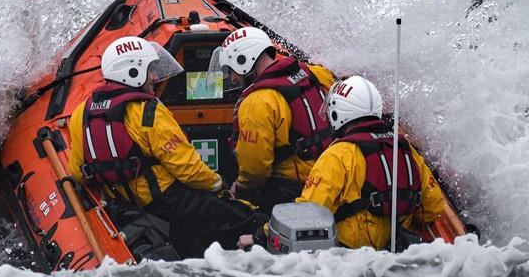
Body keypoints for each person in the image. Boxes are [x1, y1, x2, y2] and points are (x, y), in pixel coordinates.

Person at [68, 36, 266, 259]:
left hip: (128, 204)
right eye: (150, 70)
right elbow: (189, 169)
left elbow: (78, 171)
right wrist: (220, 184)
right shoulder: (148, 112)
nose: (154, 77)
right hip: (171, 201)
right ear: (132, 72)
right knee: (250, 217)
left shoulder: (80, 114)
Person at [238, 76, 446, 250]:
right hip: (393, 251)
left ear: (339, 113)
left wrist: (259, 235)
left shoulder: (339, 155)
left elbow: (306, 214)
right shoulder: (405, 149)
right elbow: (433, 207)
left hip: (347, 258)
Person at [208, 27, 335, 214]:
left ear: (243, 60)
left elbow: (255, 169)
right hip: (331, 179)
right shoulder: (316, 74)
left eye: (231, 70)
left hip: (291, 191)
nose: (232, 78)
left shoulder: (257, 102)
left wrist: (239, 188)